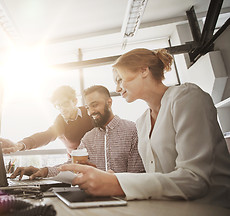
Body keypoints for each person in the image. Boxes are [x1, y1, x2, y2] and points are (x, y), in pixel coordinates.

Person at [60, 48, 230, 207]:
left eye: (120, 79)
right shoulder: (142, 122)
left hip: (213, 209)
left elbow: (195, 180)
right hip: (169, 208)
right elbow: (154, 178)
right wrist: (114, 178)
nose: (118, 88)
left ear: (143, 70)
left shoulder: (187, 98)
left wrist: (117, 183)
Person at [11, 85, 145, 180]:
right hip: (86, 177)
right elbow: (46, 137)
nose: (91, 111)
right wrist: (42, 169)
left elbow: (137, 175)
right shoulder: (81, 133)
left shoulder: (131, 130)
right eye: (58, 106)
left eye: (94, 105)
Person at [1, 85, 94, 155]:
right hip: (77, 164)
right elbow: (46, 136)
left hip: (98, 160)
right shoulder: (60, 122)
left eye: (65, 104)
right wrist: (20, 145)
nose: (62, 109)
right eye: (58, 106)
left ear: (75, 101)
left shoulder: (89, 112)